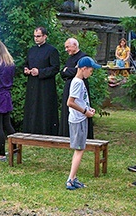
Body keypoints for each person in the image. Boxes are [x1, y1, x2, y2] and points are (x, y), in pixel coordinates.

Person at [65, 56, 101, 190]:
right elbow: (70, 102)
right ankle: (70, 180)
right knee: (79, 150)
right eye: (91, 71)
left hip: (81, 118)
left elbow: (80, 100)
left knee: (80, 149)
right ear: (83, 69)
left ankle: (73, 178)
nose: (91, 73)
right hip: (78, 120)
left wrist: (88, 108)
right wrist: (85, 111)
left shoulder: (80, 82)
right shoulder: (77, 82)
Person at [22, 27, 60, 135]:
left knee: (44, 107)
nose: (36, 38)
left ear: (45, 36)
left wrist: (40, 72)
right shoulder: (31, 50)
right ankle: (31, 130)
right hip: (32, 84)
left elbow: (55, 68)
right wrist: (26, 69)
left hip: (45, 85)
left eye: (38, 36)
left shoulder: (52, 50)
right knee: (32, 106)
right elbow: (26, 63)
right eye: (34, 36)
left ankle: (45, 131)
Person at [59, 38, 93, 139]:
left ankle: (82, 134)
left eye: (67, 47)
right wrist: (67, 71)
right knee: (69, 109)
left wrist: (68, 71)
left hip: (80, 86)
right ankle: (68, 134)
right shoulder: (70, 58)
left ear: (74, 45)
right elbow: (62, 73)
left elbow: (75, 72)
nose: (66, 49)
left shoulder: (83, 57)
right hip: (69, 86)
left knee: (80, 105)